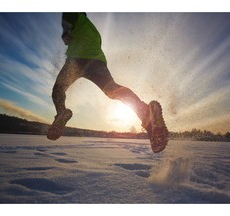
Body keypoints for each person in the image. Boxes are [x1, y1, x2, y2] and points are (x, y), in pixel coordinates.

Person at [47, 13, 168, 153]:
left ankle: (61, 112)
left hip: (76, 60)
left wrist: (65, 33)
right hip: (96, 61)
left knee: (58, 89)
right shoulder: (91, 28)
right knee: (113, 91)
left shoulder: (74, 13)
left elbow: (69, 16)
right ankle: (148, 117)